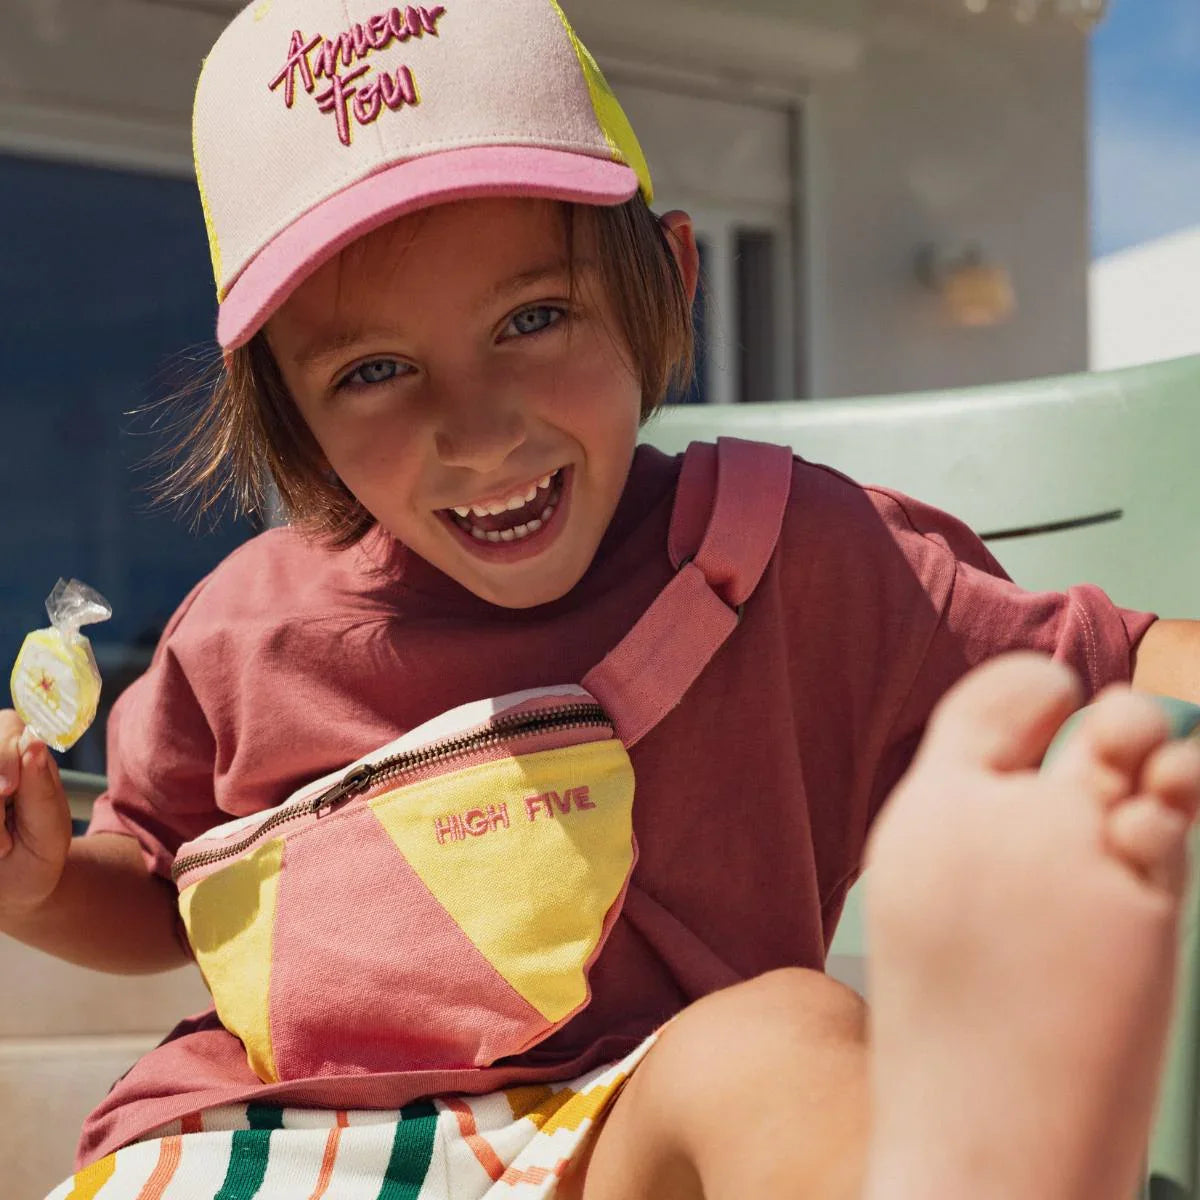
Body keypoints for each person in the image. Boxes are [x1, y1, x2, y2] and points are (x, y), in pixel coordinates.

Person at [2, 0, 1200, 1195]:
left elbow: (1122, 661)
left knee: (779, 1041)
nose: (475, 432)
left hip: (617, 1135)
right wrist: (44, 884)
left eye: (534, 318)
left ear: (665, 285)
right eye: (373, 371)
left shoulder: (797, 558)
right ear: (287, 408)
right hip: (262, 1143)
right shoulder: (241, 629)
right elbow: (163, 894)